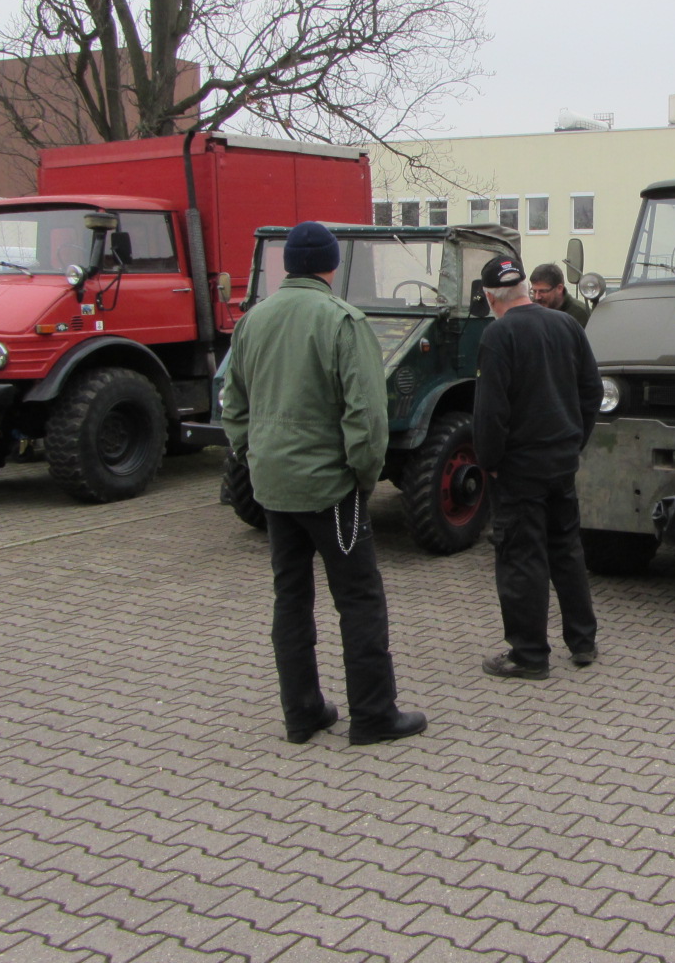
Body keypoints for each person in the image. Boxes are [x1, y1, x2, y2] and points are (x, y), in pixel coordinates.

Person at [223, 221, 426, 745]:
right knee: (358, 599)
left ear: (287, 264)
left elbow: (234, 401)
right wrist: (362, 476)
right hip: (331, 490)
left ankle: (302, 712)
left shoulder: (253, 320)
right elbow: (367, 414)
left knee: (290, 599)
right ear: (331, 266)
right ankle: (374, 714)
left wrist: (252, 455)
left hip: (273, 487)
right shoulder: (344, 321)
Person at [474, 256, 603, 679]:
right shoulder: (565, 325)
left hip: (519, 468)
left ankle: (529, 654)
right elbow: (592, 390)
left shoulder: (499, 335)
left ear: (492, 297)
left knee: (521, 557)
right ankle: (583, 641)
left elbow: (491, 412)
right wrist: (574, 441)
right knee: (566, 549)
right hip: (561, 462)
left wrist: (489, 462)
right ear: (526, 290)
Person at [529, 262, 590, 328]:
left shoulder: (580, 314)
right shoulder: (531, 310)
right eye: (534, 291)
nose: (537, 297)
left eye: (543, 291)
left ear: (559, 288)